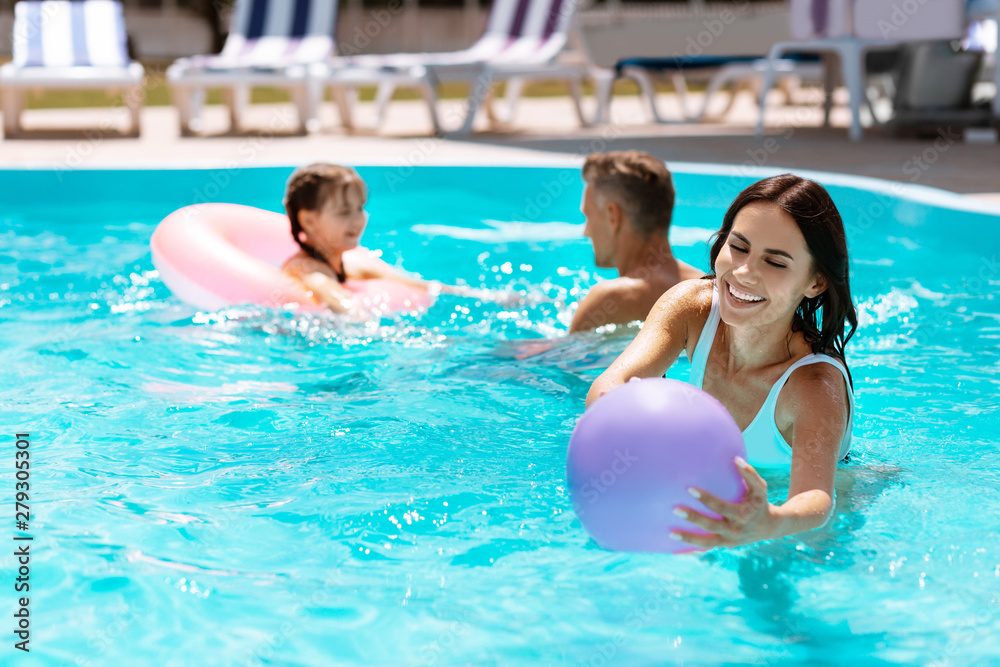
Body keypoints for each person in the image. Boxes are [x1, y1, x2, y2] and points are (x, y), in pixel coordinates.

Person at [585, 173, 858, 549]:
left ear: (815, 283)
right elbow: (608, 386)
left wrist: (769, 521)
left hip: (801, 518)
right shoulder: (691, 308)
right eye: (738, 246)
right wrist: (634, 422)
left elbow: (815, 502)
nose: (744, 272)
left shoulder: (811, 386)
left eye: (775, 262)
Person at [570, 151, 702, 333]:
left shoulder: (609, 301)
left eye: (588, 216)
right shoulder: (707, 288)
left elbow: (554, 360)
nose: (586, 232)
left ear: (612, 216)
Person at [282, 163, 435, 317]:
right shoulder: (308, 271)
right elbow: (340, 303)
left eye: (360, 208)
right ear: (309, 221)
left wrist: (453, 291)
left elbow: (418, 285)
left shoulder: (347, 268)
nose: (358, 220)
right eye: (344, 211)